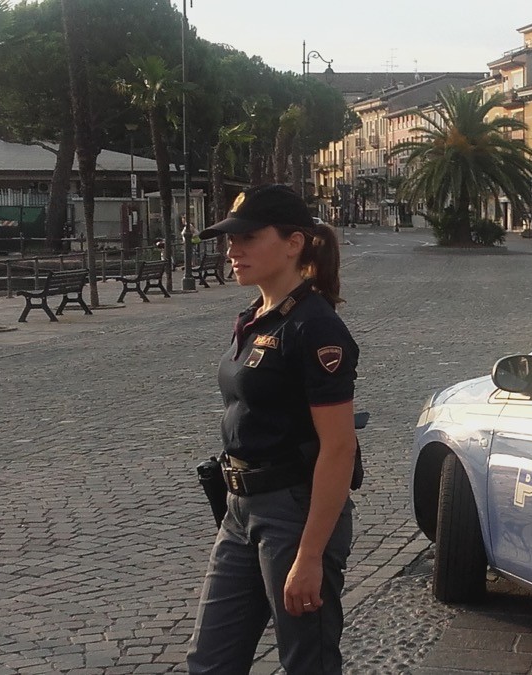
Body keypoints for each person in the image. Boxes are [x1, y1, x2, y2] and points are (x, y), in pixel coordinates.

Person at [186, 184, 359, 675]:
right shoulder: (256, 319)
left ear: (294, 242)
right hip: (240, 509)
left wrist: (309, 555)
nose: (232, 249)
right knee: (210, 662)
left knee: (308, 662)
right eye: (229, 239)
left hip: (294, 510)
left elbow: (339, 448)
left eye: (247, 238)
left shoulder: (315, 327)